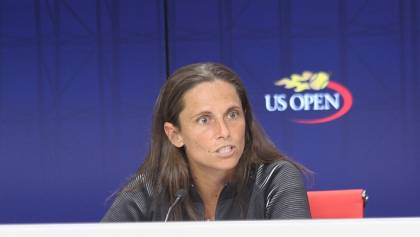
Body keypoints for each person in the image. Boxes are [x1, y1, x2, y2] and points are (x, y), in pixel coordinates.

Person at [102, 62, 311, 221]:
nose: (224, 131)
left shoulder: (274, 178)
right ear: (175, 134)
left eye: (232, 115)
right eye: (204, 120)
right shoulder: (149, 190)